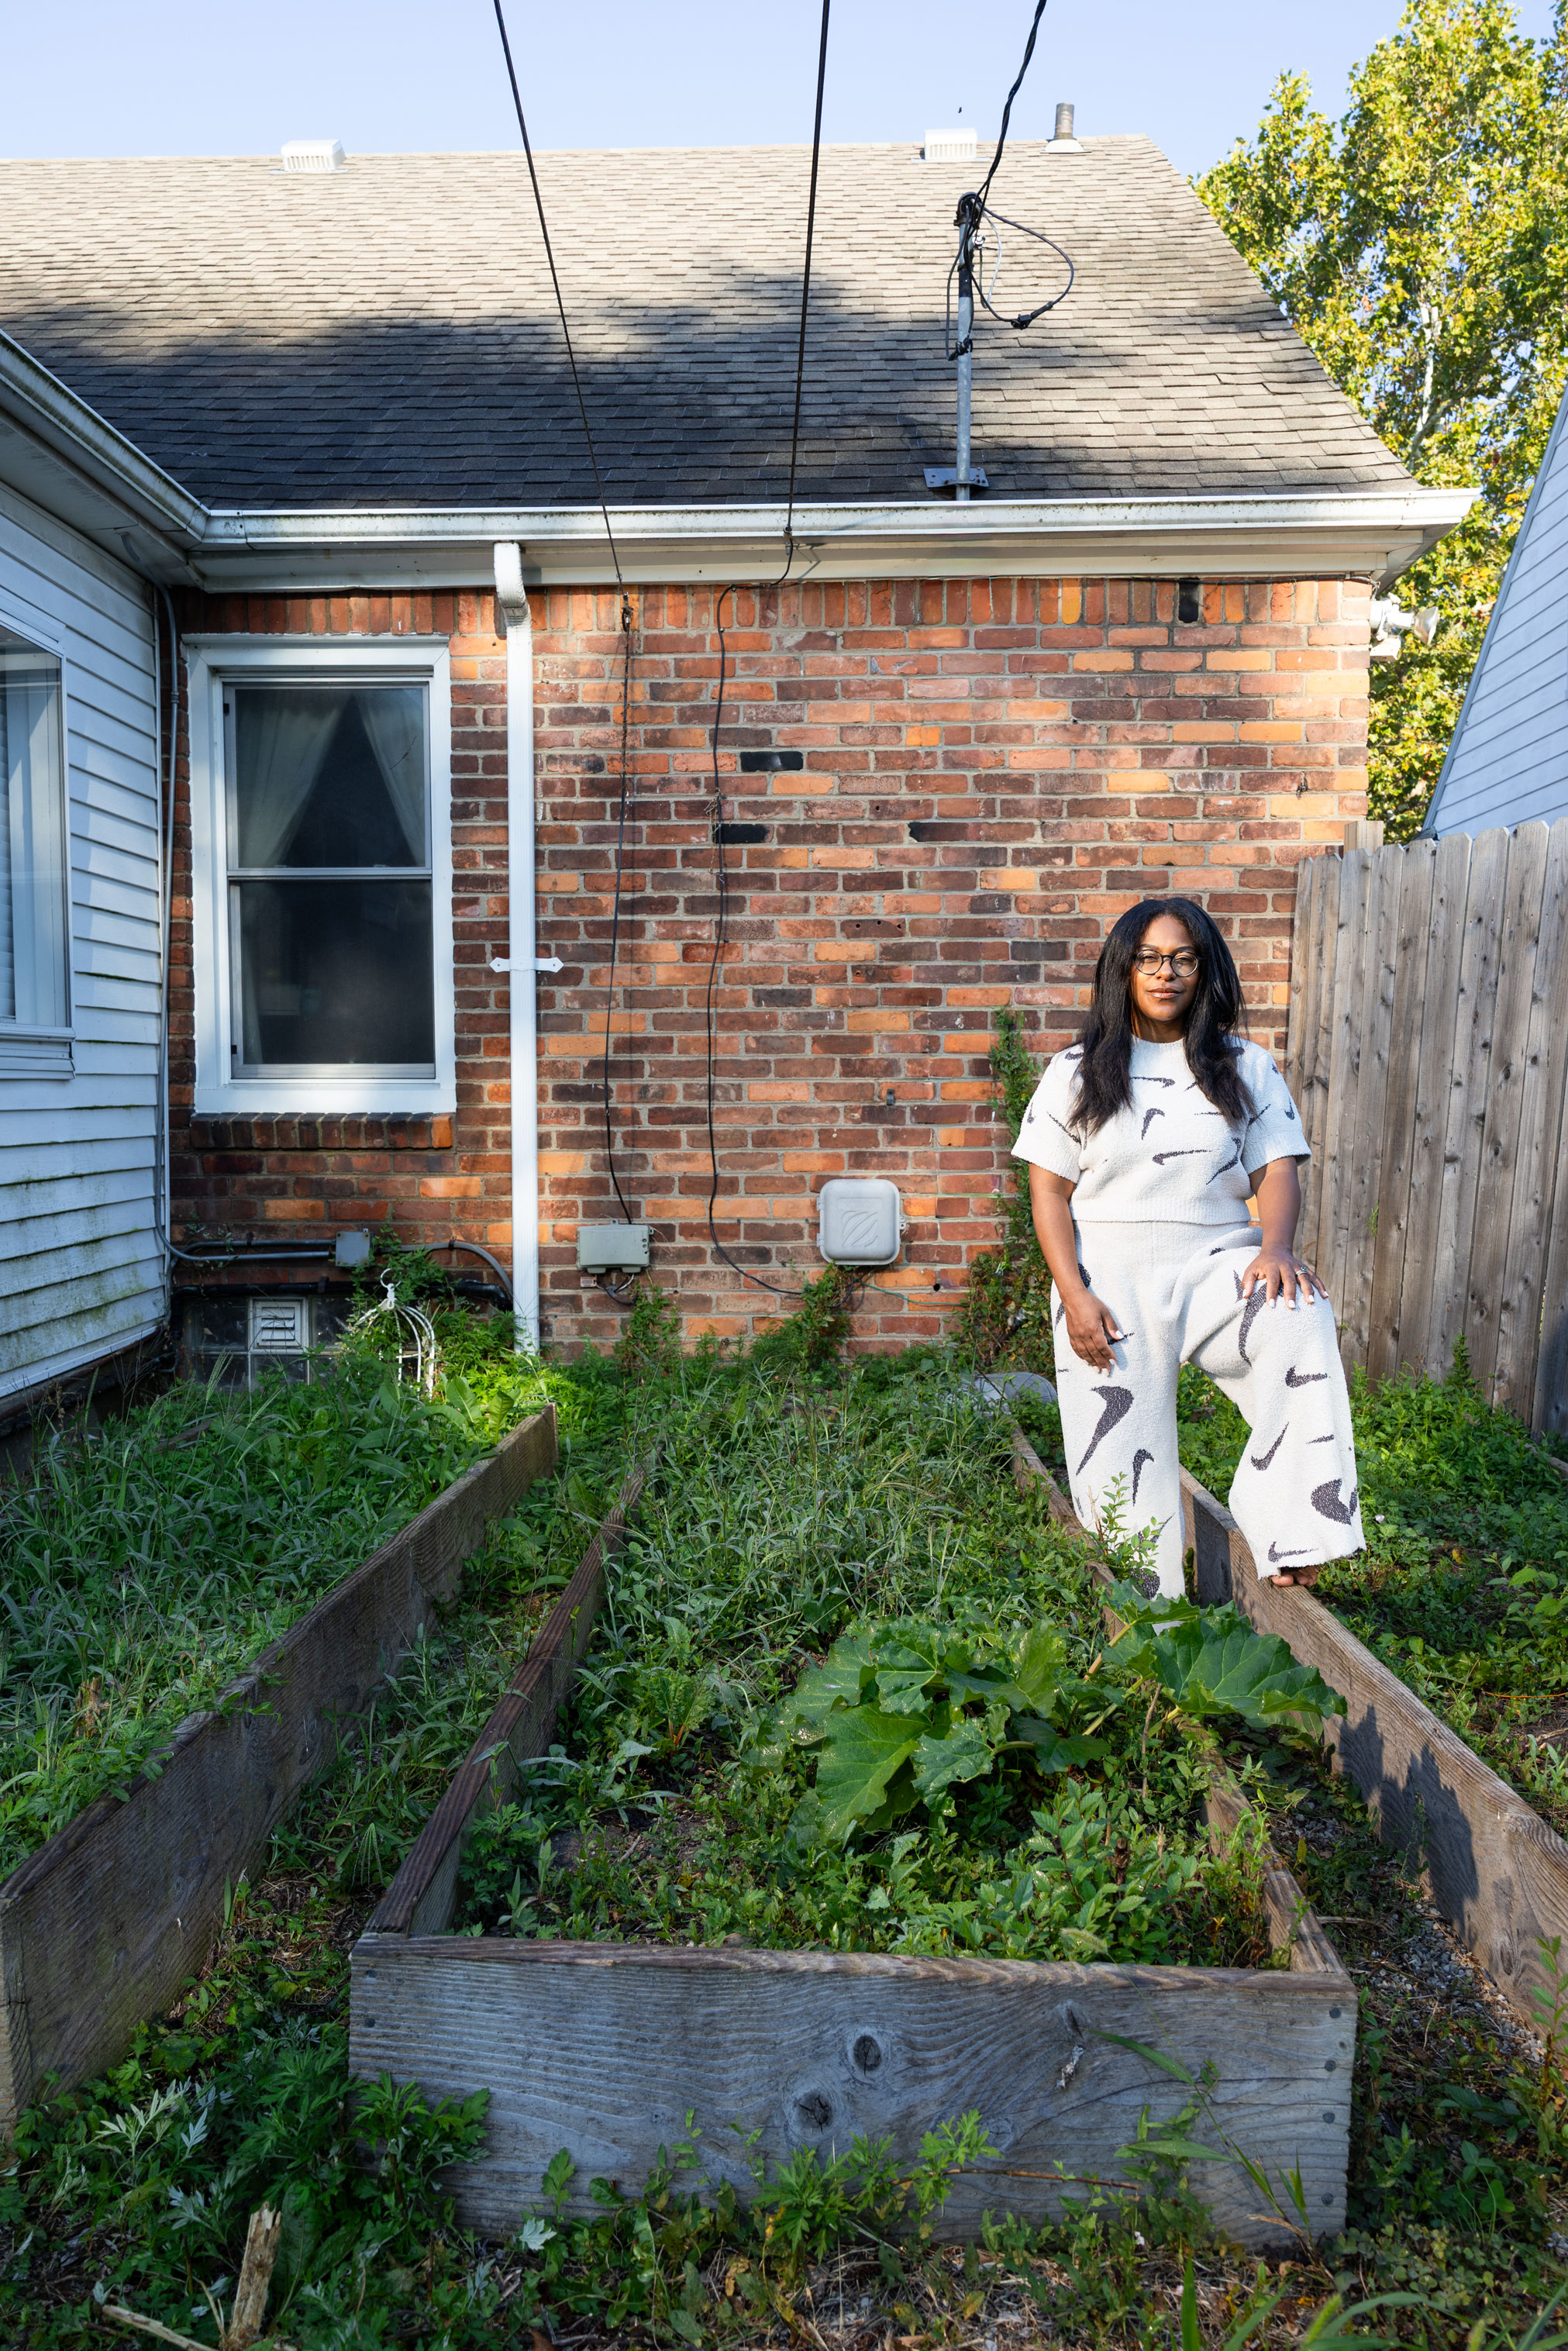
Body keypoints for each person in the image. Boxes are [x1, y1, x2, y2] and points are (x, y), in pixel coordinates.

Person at [1012, 895, 1363, 1601]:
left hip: (1216, 1263)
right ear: (1123, 968)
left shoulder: (1245, 1065)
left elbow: (1275, 1170)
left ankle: (1296, 1531)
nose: (1165, 972)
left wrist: (1278, 1248)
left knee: (1298, 1314)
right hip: (1107, 1281)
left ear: (1205, 970)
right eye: (1148, 958)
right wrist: (1073, 1295)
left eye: (1182, 957)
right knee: (1122, 1467)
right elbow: (1047, 1192)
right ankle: (1151, 1631)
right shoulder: (1076, 1070)